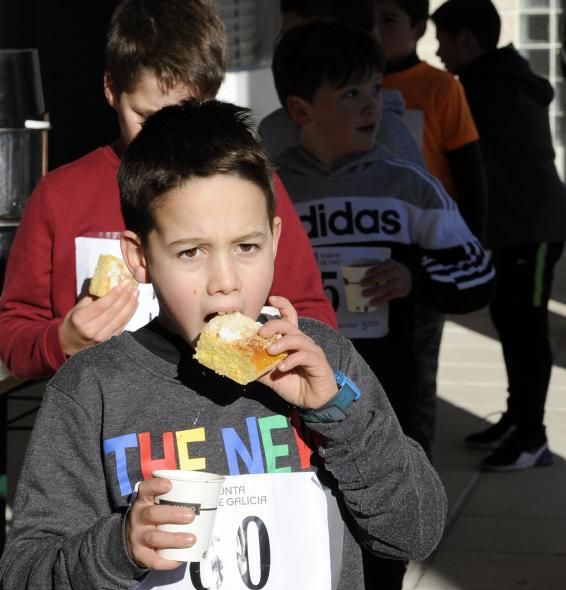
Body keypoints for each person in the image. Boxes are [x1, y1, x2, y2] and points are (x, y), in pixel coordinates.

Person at [0, 98, 448, 590]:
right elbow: (31, 580)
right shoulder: (91, 391)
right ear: (139, 257)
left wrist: (336, 412)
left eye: (247, 246)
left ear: (276, 238)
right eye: (190, 252)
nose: (225, 280)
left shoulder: (323, 365)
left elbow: (414, 530)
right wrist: (119, 546)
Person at [270, 19, 494, 590]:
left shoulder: (406, 183)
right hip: (282, 387)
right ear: (300, 110)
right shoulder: (266, 189)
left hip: (384, 385)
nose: (372, 105)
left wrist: (414, 279)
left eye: (374, 90)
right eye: (351, 94)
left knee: (379, 509)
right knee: (304, 509)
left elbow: (477, 272)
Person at [0, 0, 335, 381]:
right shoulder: (60, 195)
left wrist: (278, 341)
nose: (163, 136)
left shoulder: (248, 186)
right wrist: (63, 340)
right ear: (111, 88)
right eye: (146, 117)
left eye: (185, 113)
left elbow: (313, 313)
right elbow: (14, 333)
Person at [432, 0, 566, 470]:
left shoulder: (488, 89)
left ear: (468, 39)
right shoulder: (497, 78)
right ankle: (517, 419)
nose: (438, 49)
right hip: (516, 229)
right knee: (512, 322)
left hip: (533, 229)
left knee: (526, 328)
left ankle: (533, 437)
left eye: (444, 39)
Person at [375, 0, 488, 459]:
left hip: (423, 252)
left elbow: (470, 174)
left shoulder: (440, 88)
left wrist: (468, 249)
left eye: (390, 20)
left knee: (418, 374)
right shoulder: (353, 82)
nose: (377, 31)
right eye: (371, 20)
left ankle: (419, 480)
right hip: (365, 248)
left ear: (419, 27)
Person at [258, 0, 424, 166]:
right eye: (286, 36)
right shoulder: (273, 130)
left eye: (311, 42)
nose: (290, 51)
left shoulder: (388, 136)